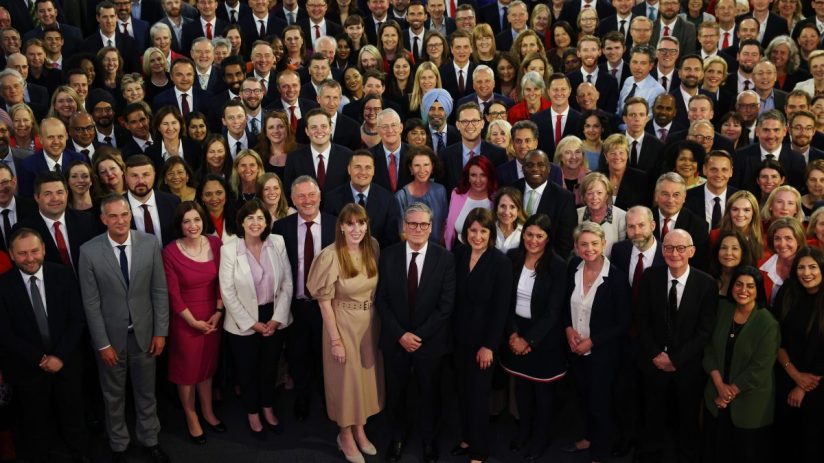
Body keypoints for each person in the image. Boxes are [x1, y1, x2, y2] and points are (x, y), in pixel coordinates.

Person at [78, 194, 170, 463]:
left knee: (146, 392)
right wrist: (102, 344)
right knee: (113, 396)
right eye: (114, 216)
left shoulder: (149, 244)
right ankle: (119, 444)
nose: (120, 220)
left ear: (131, 215)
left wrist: (160, 332)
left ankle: (150, 439)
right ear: (103, 219)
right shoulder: (89, 251)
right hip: (110, 340)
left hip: (145, 336)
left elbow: (159, 291)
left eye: (125, 214)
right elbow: (91, 303)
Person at [0, 228, 90, 463]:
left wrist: (59, 356)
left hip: (66, 362)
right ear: (11, 254)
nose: (29, 258)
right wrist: (40, 359)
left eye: (34, 251)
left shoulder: (63, 275)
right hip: (27, 367)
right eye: (22, 254)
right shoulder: (3, 286)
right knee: (34, 419)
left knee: (73, 412)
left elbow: (77, 319)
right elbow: (5, 333)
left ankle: (79, 453)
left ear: (44, 249)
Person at [376, 202, 456, 463]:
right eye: (412, 224)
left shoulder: (444, 258)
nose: (418, 229)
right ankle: (397, 437)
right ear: (404, 226)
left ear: (431, 227)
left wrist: (418, 336)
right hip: (395, 340)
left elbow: (446, 306)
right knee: (396, 393)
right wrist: (401, 335)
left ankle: (429, 440)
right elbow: (382, 300)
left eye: (423, 224)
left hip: (429, 342)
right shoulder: (388, 255)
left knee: (429, 394)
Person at [306, 203, 384, 462]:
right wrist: (335, 340)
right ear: (340, 226)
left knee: (363, 380)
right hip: (342, 324)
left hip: (369, 323)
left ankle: (360, 430)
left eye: (361, 223)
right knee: (346, 383)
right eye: (350, 223)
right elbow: (324, 303)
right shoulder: (330, 255)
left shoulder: (372, 246)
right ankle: (345, 435)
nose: (356, 229)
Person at [635, 229, 718, 463]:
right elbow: (641, 320)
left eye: (681, 248)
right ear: (662, 251)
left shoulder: (707, 284)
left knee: (687, 420)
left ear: (691, 251)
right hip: (653, 364)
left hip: (688, 368)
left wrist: (675, 359)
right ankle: (651, 455)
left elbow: (704, 331)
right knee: (652, 416)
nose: (675, 253)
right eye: (669, 248)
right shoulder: (651, 277)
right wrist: (656, 355)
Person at [219, 199, 293, 439]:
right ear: (241, 222)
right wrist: (252, 323)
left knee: (269, 367)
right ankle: (252, 412)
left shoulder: (277, 242)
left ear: (267, 221)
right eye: (250, 218)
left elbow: (287, 284)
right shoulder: (229, 248)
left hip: (274, 317)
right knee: (247, 370)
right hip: (243, 321)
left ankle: (268, 407)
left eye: (260, 217)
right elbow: (227, 291)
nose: (255, 222)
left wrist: (277, 318)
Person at [500, 213, 568, 460]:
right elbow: (504, 301)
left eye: (540, 236)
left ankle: (540, 439)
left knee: (543, 395)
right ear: (523, 233)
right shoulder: (512, 258)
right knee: (522, 391)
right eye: (529, 234)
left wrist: (528, 340)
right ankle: (524, 433)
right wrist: (513, 334)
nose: (533, 240)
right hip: (515, 331)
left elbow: (553, 311)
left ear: (548, 238)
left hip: (544, 340)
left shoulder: (558, 265)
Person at [562, 221, 631, 462]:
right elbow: (563, 305)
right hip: (574, 350)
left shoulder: (617, 278)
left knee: (600, 403)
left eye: (594, 243)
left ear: (604, 244)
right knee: (582, 397)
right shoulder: (572, 268)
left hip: (603, 354)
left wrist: (592, 342)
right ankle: (589, 437)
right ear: (576, 246)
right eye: (583, 244)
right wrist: (569, 330)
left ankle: (600, 452)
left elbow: (623, 323)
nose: (589, 248)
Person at [450, 208, 512, 463]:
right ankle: (467, 438)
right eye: (473, 230)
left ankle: (479, 449)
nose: (477, 236)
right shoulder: (459, 253)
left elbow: (501, 309)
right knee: (462, 392)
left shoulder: (500, 262)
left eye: (483, 231)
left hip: (483, 343)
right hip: (458, 339)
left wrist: (489, 346)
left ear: (491, 233)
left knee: (478, 396)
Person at [272, 176, 336, 421]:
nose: (307, 201)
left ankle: (328, 399)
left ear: (319, 196)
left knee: (326, 356)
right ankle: (302, 397)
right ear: (293, 200)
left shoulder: (335, 224)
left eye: (311, 195)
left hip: (327, 305)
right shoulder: (282, 227)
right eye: (301, 196)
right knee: (298, 356)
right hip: (296, 304)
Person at [701, 265, 779, 463]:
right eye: (739, 284)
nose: (743, 290)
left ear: (758, 290)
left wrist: (728, 393)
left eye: (750, 286)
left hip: (749, 405)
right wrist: (719, 386)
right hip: (715, 398)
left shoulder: (768, 323)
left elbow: (759, 369)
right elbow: (708, 348)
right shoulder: (722, 310)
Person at [162, 201, 224, 444]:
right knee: (187, 372)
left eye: (196, 219)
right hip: (186, 320)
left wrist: (219, 311)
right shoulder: (170, 252)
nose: (192, 225)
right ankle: (191, 416)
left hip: (213, 316)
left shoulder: (216, 243)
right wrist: (192, 321)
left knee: (207, 367)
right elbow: (173, 294)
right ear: (179, 224)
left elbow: (223, 280)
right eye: (186, 221)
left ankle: (208, 412)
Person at [773, 247, 824, 461]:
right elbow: (776, 341)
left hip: (819, 387)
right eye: (801, 267)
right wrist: (795, 376)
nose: (806, 273)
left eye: (813, 267)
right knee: (787, 446)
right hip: (786, 380)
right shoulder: (788, 293)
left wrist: (803, 385)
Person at [394, 146, 447, 244]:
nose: (422, 170)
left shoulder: (440, 191)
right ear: (411, 168)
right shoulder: (401, 196)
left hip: (438, 250)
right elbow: (403, 233)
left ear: (432, 167)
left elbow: (444, 225)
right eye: (417, 165)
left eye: (426, 165)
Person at [444, 156, 497, 250]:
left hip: (487, 253)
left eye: (483, 175)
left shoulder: (496, 198)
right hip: (458, 250)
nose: (478, 180)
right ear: (468, 177)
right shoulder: (457, 194)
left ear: (489, 176)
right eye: (473, 175)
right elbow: (449, 226)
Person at [577, 172, 626, 258]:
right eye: (589, 193)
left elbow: (622, 252)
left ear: (607, 195)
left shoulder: (622, 217)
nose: (594, 197)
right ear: (584, 196)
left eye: (599, 193)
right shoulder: (576, 215)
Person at [760, 217, 807, 305]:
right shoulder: (762, 266)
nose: (782, 244)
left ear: (799, 241)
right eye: (777, 238)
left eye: (788, 238)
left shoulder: (808, 268)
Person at [197, 174, 237, 243]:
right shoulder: (196, 221)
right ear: (202, 197)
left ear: (226, 194)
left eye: (219, 193)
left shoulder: (239, 217)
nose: (214, 198)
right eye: (208, 194)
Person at [494, 186, 526, 253]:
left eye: (512, 207)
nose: (507, 212)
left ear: (518, 210)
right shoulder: (487, 230)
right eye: (503, 206)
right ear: (496, 208)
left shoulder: (525, 233)